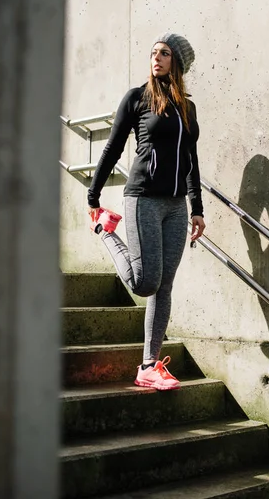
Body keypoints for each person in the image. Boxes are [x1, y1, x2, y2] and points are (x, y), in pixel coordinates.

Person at [87, 33, 205, 391]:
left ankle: (149, 366)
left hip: (175, 206)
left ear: (178, 62)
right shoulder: (137, 98)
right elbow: (112, 147)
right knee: (144, 283)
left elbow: (191, 159)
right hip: (143, 199)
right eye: (154, 53)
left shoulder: (188, 106)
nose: (157, 58)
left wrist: (196, 207)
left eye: (165, 53)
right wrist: (93, 195)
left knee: (164, 286)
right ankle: (104, 232)